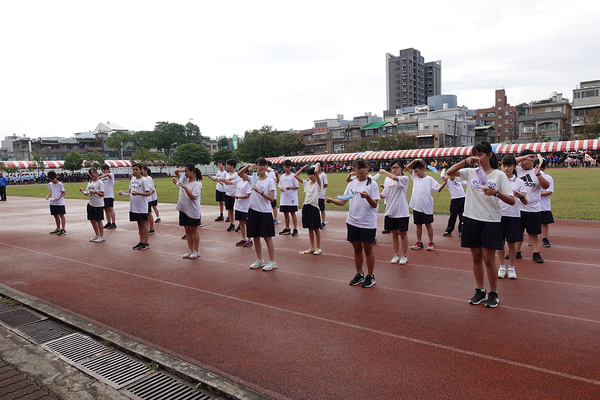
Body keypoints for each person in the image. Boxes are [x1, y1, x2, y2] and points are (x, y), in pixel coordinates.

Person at [446, 142, 515, 308]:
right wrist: (465, 161)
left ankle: (493, 293)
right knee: (476, 257)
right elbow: (450, 173)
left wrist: (496, 193)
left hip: (490, 221)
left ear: (489, 155)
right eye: (474, 154)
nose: (477, 158)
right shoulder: (471, 172)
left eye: (480, 154)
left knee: (489, 260)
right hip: (471, 219)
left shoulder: (499, 176)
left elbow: (512, 200)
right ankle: (480, 290)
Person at [326, 158, 380, 288]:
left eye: (364, 167)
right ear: (354, 170)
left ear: (368, 168)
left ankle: (370, 276)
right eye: (358, 168)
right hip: (352, 221)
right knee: (356, 250)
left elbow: (374, 205)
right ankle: (359, 274)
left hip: (367, 222)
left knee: (368, 250)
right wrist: (332, 201)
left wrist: (367, 197)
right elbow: (344, 201)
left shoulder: (372, 184)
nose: (361, 170)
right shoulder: (351, 185)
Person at [237, 158, 278, 271]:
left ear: (266, 167)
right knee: (255, 236)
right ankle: (260, 259)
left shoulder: (269, 181)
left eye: (264, 165)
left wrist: (260, 192)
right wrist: (248, 165)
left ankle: (272, 261)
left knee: (267, 237)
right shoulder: (252, 178)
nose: (262, 167)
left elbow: (271, 198)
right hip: (253, 210)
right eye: (259, 165)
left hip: (264, 212)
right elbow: (239, 174)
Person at [514, 149, 550, 263]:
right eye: (521, 160)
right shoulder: (517, 170)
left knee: (533, 233)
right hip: (518, 208)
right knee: (518, 232)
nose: (522, 163)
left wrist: (538, 174)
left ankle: (536, 253)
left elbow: (546, 185)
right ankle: (516, 252)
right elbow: (510, 161)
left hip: (533, 209)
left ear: (532, 160)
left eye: (525, 160)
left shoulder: (537, 172)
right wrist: (524, 157)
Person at [497, 156, 528, 280]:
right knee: (500, 243)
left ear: (514, 166)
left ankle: (511, 267)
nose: (506, 168)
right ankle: (501, 266)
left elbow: (525, 202)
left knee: (512, 243)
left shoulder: (519, 182)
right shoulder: (498, 179)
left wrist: (521, 196)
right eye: (504, 165)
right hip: (498, 216)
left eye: (509, 165)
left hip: (513, 216)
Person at [406, 158, 446, 251]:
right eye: (415, 172)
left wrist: (445, 183)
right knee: (418, 225)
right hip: (417, 206)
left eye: (417, 171)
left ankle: (431, 242)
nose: (416, 173)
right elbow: (408, 167)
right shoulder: (415, 177)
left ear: (422, 169)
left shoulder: (429, 179)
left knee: (428, 225)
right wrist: (415, 160)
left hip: (426, 206)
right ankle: (419, 242)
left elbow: (438, 189)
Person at [379, 159, 410, 264]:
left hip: (402, 211)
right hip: (390, 211)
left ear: (401, 168)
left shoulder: (404, 178)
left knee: (403, 234)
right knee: (394, 234)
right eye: (392, 168)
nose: (394, 170)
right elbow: (384, 195)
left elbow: (394, 177)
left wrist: (383, 172)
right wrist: (372, 192)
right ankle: (396, 254)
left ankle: (404, 256)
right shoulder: (387, 180)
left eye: (396, 167)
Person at [119, 163, 152, 250]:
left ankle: (146, 242)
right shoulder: (133, 179)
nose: (134, 171)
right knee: (139, 224)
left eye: (136, 169)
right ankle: (141, 241)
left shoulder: (144, 180)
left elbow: (148, 193)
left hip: (141, 206)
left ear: (141, 170)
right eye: (133, 169)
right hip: (134, 206)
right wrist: (123, 192)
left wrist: (138, 193)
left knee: (144, 224)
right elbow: (130, 191)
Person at [173, 164, 202, 259]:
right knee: (187, 231)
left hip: (192, 210)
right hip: (183, 209)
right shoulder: (184, 180)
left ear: (192, 171)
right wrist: (179, 169)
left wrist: (185, 187)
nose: (184, 173)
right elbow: (176, 172)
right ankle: (190, 249)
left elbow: (193, 197)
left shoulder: (197, 184)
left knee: (194, 231)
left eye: (186, 171)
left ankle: (196, 250)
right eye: (184, 171)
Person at [294, 162, 323, 255]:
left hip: (314, 207)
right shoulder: (307, 183)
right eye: (309, 174)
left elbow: (316, 172)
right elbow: (295, 175)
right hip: (306, 207)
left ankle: (318, 247)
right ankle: (312, 246)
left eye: (312, 174)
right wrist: (303, 167)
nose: (310, 176)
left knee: (316, 228)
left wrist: (317, 164)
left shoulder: (318, 184)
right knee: (309, 228)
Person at [79, 168, 105, 243]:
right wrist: (82, 191)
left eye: (93, 173)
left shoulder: (100, 183)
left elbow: (102, 194)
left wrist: (96, 192)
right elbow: (87, 193)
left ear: (97, 173)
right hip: (91, 203)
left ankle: (101, 236)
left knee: (98, 220)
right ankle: (97, 234)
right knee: (92, 220)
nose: (92, 175)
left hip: (98, 204)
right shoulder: (90, 182)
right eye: (91, 174)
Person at [441, 171, 466, 237]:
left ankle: (461, 230)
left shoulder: (458, 180)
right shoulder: (448, 182)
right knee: (453, 216)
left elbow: (467, 182)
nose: (452, 177)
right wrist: (444, 170)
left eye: (453, 175)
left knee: (462, 216)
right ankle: (449, 230)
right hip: (455, 200)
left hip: (463, 198)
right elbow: (442, 176)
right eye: (450, 176)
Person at [278, 160, 299, 237]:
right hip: (284, 198)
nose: (286, 168)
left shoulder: (293, 176)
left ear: (290, 167)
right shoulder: (282, 176)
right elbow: (279, 185)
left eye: (288, 167)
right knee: (285, 213)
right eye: (285, 167)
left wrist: (290, 187)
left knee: (292, 213)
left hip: (291, 198)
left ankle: (295, 229)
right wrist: (281, 188)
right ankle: (287, 228)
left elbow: (296, 186)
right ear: (283, 167)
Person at [46, 171, 66, 236]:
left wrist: (58, 198)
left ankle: (63, 229)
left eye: (53, 179)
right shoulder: (50, 184)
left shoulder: (60, 184)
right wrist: (48, 196)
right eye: (50, 179)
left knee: (61, 215)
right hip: (53, 202)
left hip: (59, 202)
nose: (52, 180)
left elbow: (63, 193)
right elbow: (52, 191)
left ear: (56, 177)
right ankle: (58, 228)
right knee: (55, 216)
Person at [539, 159, 554, 248]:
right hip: (533, 205)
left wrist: (537, 194)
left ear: (544, 168)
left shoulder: (548, 178)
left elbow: (549, 191)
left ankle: (545, 238)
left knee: (544, 222)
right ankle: (533, 238)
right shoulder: (531, 177)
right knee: (533, 222)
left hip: (544, 205)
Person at [99, 165, 117, 229]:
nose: (103, 171)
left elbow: (108, 175)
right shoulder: (101, 178)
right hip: (103, 195)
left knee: (110, 208)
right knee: (106, 209)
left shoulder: (110, 175)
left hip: (109, 195)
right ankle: (108, 222)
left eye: (105, 169)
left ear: (108, 169)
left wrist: (100, 176)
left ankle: (113, 223)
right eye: (102, 169)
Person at [142, 166, 158, 234]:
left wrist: (148, 195)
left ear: (145, 170)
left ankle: (151, 228)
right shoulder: (142, 178)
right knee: (145, 214)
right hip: (143, 199)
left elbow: (152, 189)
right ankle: (146, 227)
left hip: (147, 199)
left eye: (142, 170)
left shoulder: (148, 178)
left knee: (149, 213)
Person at [224, 159, 238, 231]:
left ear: (232, 166)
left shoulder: (236, 175)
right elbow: (226, 183)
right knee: (230, 210)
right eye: (226, 165)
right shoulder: (227, 174)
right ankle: (232, 224)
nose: (227, 166)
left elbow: (237, 184)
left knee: (237, 209)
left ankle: (239, 224)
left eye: (228, 165)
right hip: (228, 194)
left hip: (234, 194)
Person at [318, 164, 328, 229]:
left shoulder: (323, 175)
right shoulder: (314, 174)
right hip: (315, 194)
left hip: (321, 194)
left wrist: (319, 184)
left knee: (322, 209)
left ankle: (323, 222)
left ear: (321, 167)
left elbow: (326, 184)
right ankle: (317, 221)